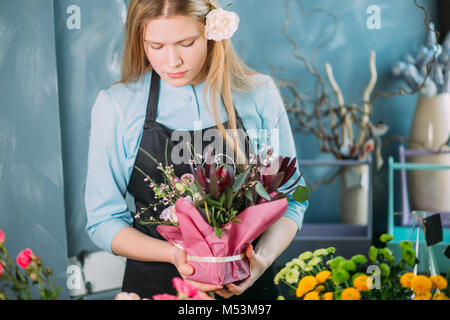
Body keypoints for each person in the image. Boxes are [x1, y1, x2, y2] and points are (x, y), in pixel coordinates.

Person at [85, 0, 309, 300]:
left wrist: (261, 261)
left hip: (249, 288)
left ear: (212, 34)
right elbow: (102, 220)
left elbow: (293, 198)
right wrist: (174, 254)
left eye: (186, 43)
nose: (171, 61)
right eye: (155, 45)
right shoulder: (116, 105)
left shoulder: (258, 93)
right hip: (155, 287)